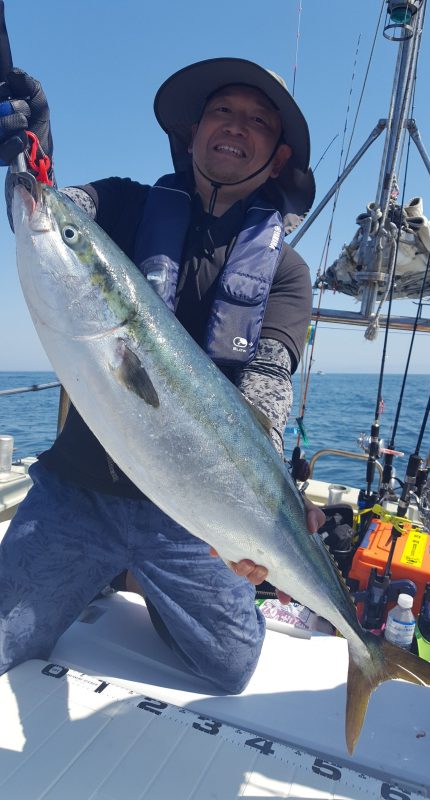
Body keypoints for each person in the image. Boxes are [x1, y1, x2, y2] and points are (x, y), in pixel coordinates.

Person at [0, 58, 325, 692]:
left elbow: (267, 390)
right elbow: (47, 219)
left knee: (230, 669)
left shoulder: (286, 273)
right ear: (193, 130)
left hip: (189, 516)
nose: (237, 126)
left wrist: (256, 513)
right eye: (222, 112)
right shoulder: (122, 204)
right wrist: (26, 156)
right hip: (78, 492)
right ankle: (107, 569)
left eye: (258, 120)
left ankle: (148, 579)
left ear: (278, 155)